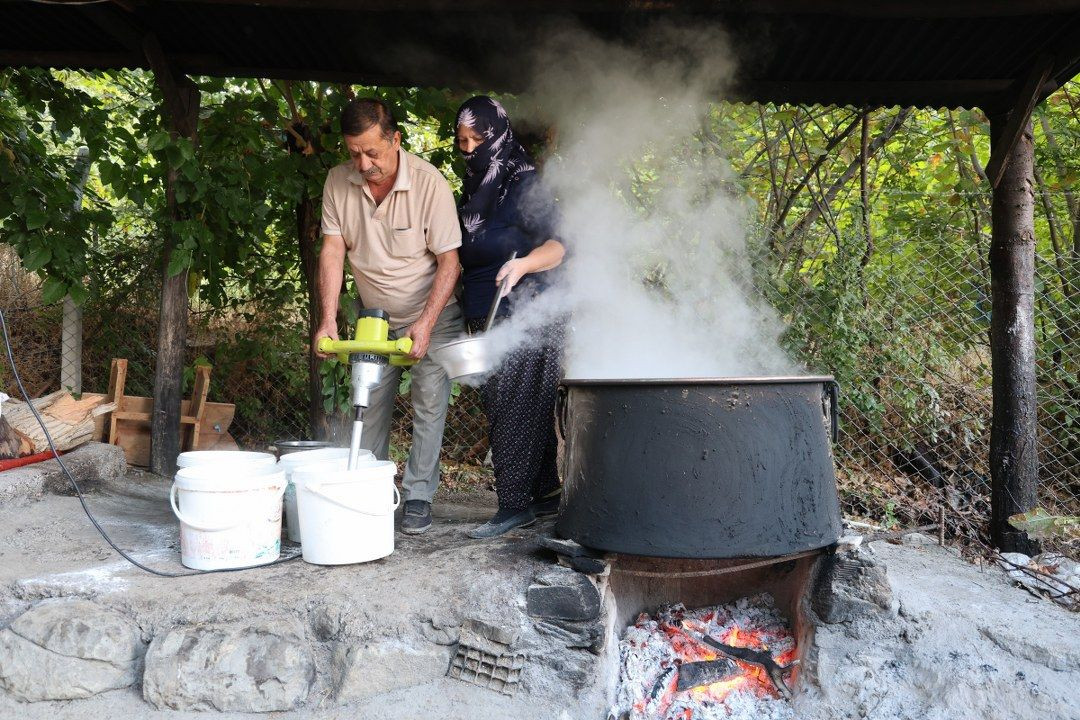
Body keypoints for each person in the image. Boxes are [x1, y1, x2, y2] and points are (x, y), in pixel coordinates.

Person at [314, 98, 462, 535]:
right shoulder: (337, 182)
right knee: (368, 403)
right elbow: (333, 250)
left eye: (372, 152)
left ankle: (417, 497)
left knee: (429, 404)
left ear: (395, 140)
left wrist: (426, 324)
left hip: (431, 311)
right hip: (373, 317)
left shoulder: (430, 183)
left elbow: (450, 262)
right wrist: (327, 319)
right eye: (354, 152)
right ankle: (368, 488)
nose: (363, 163)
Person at [453, 96, 567, 539]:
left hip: (532, 308)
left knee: (512, 406)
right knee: (518, 401)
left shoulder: (525, 184)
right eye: (461, 140)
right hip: (490, 311)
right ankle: (544, 496)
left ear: (497, 134)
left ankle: (513, 506)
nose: (467, 148)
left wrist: (521, 265)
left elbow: (559, 245)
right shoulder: (472, 188)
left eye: (476, 139)